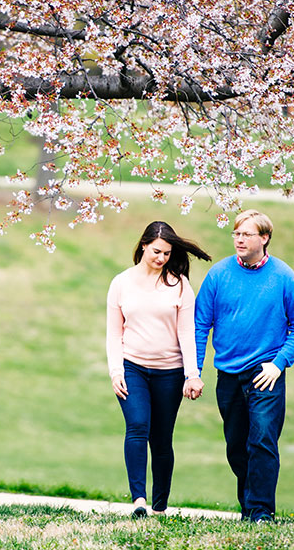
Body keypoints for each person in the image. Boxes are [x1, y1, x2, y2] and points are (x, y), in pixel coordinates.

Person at [189, 209, 294, 523]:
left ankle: (261, 512)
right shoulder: (219, 274)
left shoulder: (284, 277)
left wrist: (278, 364)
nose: (240, 240)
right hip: (228, 375)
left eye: (247, 234)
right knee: (237, 446)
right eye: (237, 234)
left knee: (262, 441)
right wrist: (195, 371)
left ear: (264, 238)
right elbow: (201, 324)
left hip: (265, 375)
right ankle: (249, 507)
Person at [106, 220, 211, 518]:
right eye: (156, 251)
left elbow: (187, 333)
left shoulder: (179, 284)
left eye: (166, 253)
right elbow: (114, 333)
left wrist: (192, 374)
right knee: (137, 426)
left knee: (162, 439)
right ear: (143, 245)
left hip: (170, 372)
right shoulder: (121, 283)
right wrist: (116, 371)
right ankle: (139, 500)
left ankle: (160, 506)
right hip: (133, 369)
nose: (161, 258)